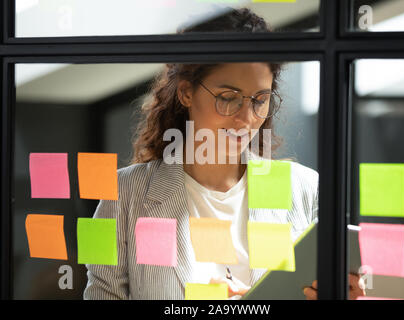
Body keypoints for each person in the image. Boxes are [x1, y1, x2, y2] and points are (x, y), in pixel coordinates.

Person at [83, 7, 365, 300]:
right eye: (228, 98)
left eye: (260, 100)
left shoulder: (306, 189)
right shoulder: (124, 194)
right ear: (186, 93)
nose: (246, 118)